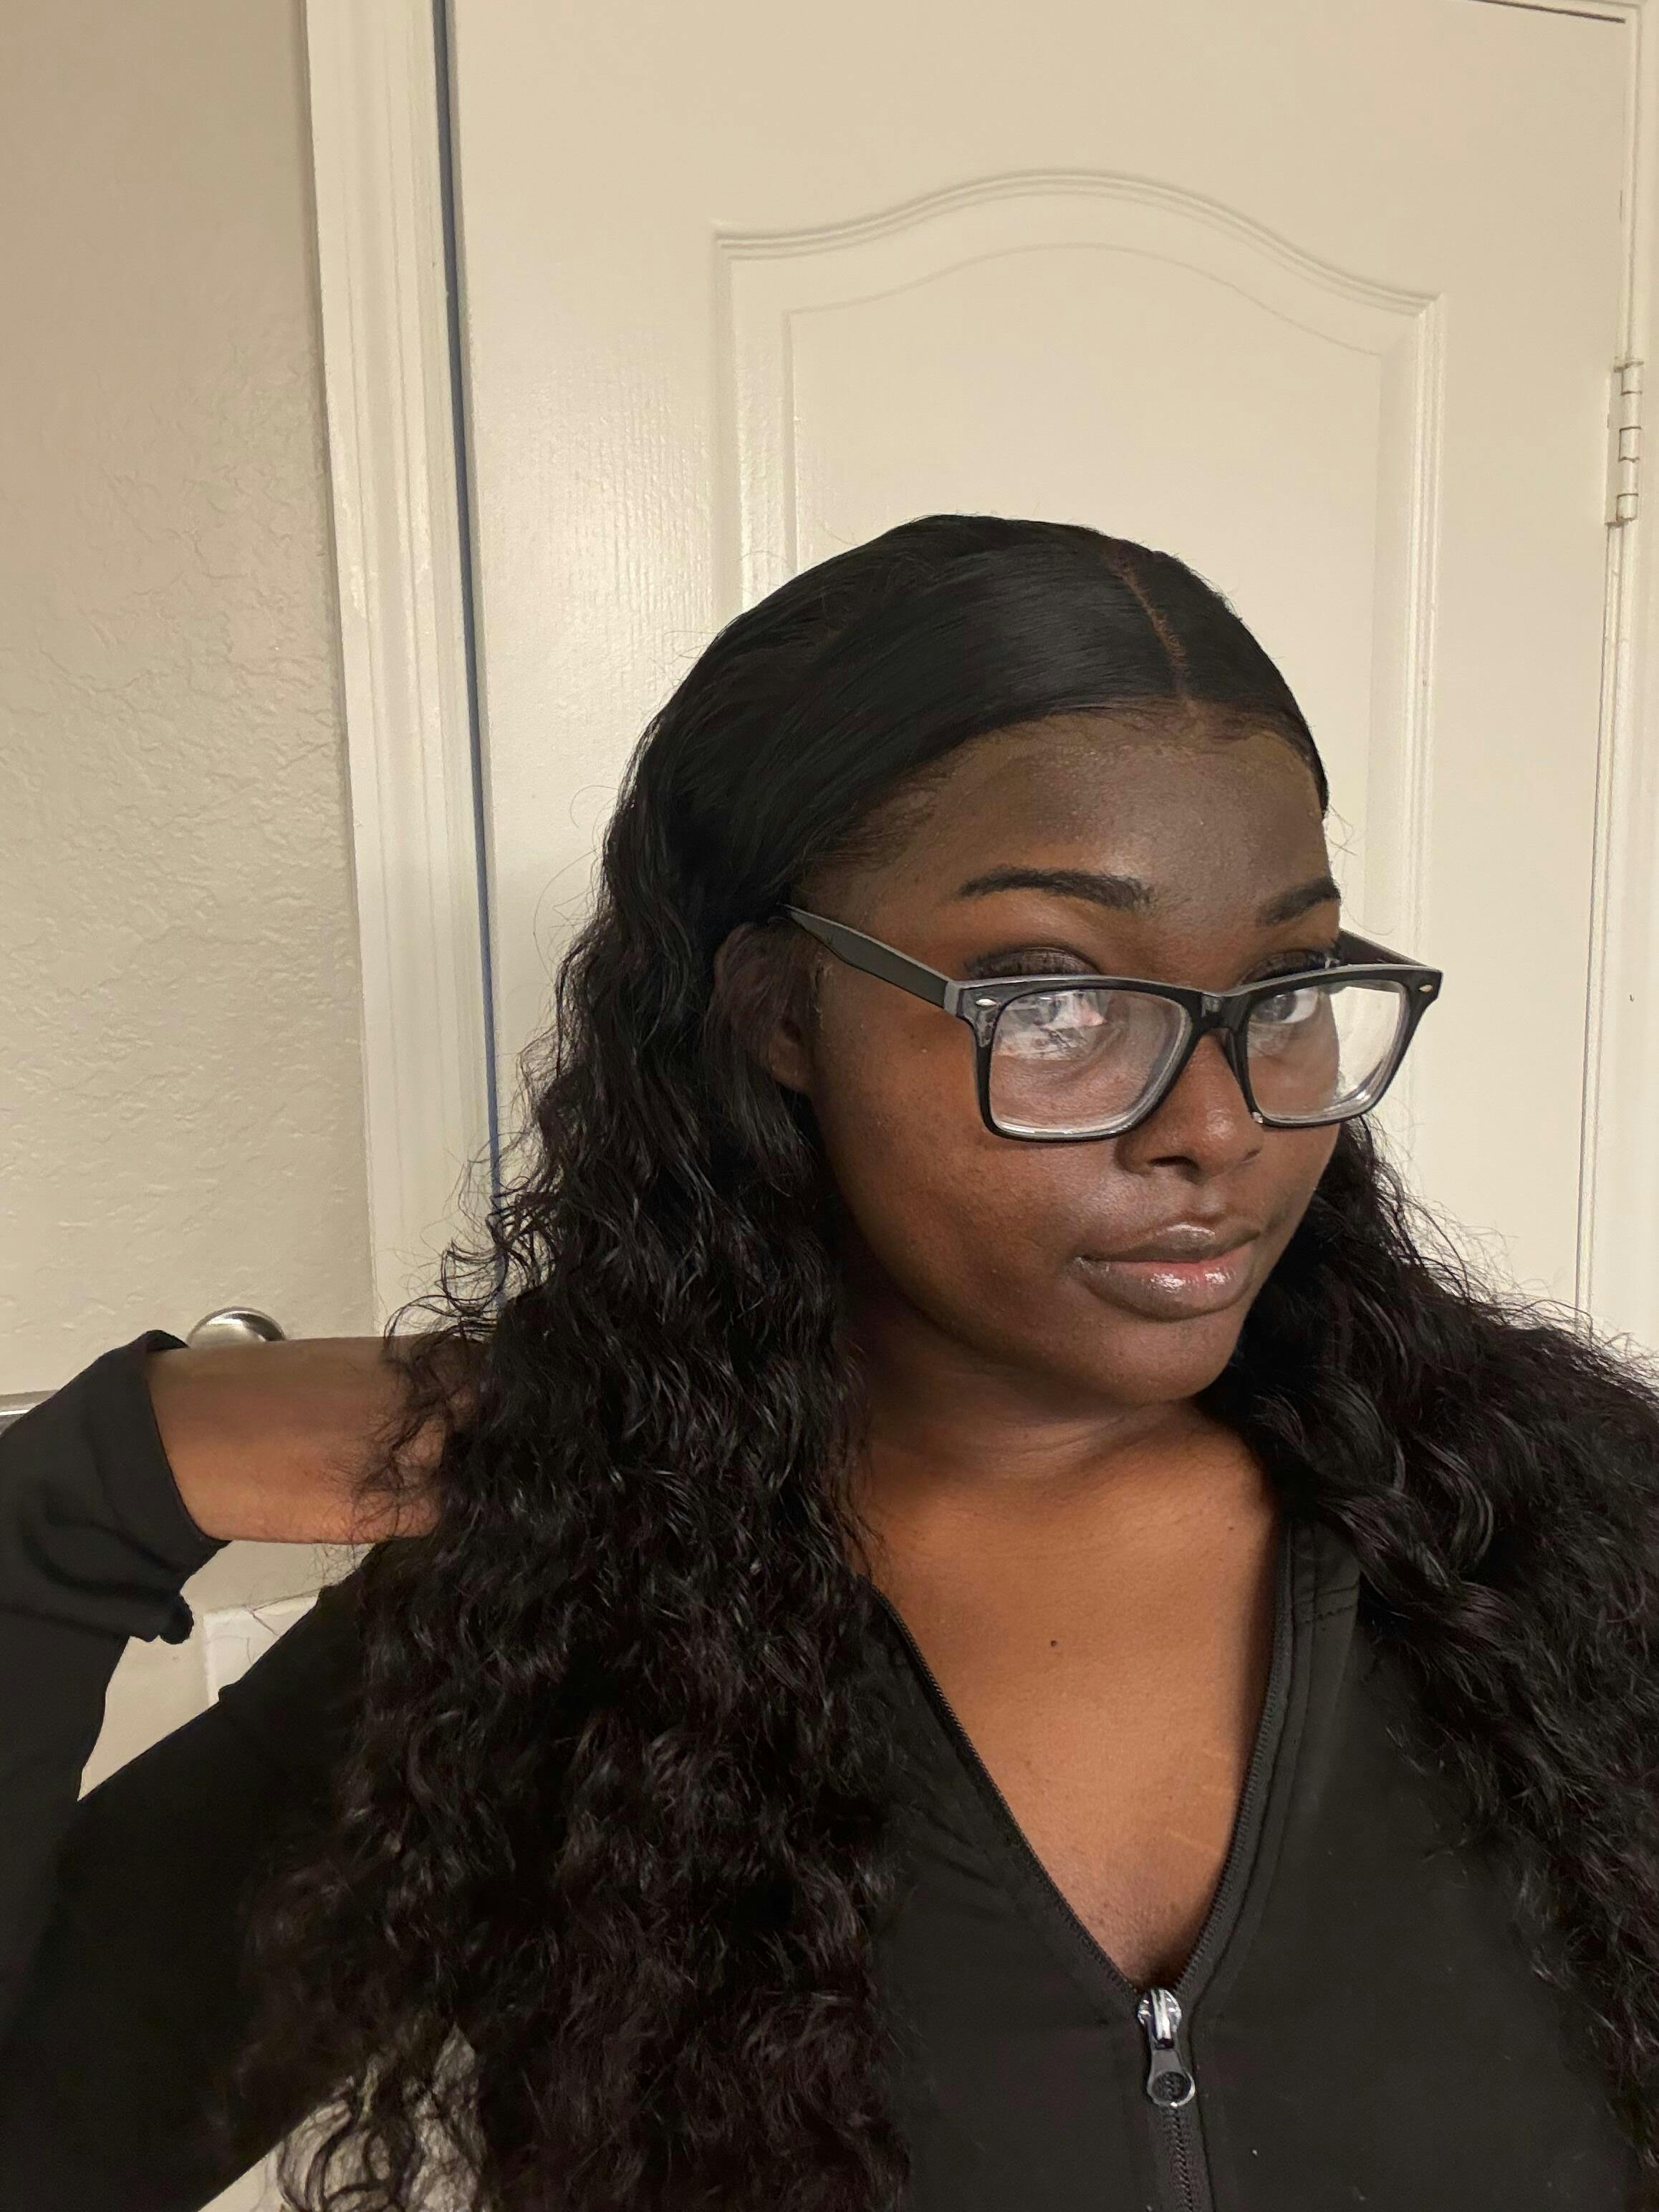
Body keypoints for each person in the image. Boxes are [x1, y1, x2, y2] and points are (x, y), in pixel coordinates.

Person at [2, 514, 1656, 2212]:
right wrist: (102, 1481)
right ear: (782, 1014)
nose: (1220, 1125)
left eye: (1287, 987)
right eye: (1052, 998)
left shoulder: (1567, 1546)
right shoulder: (542, 1616)